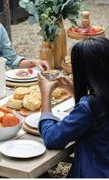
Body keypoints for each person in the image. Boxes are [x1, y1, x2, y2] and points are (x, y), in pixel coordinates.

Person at [38, 37, 109, 177]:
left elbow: (52, 138)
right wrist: (75, 91)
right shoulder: (98, 101)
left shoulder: (89, 106)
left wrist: (45, 95)